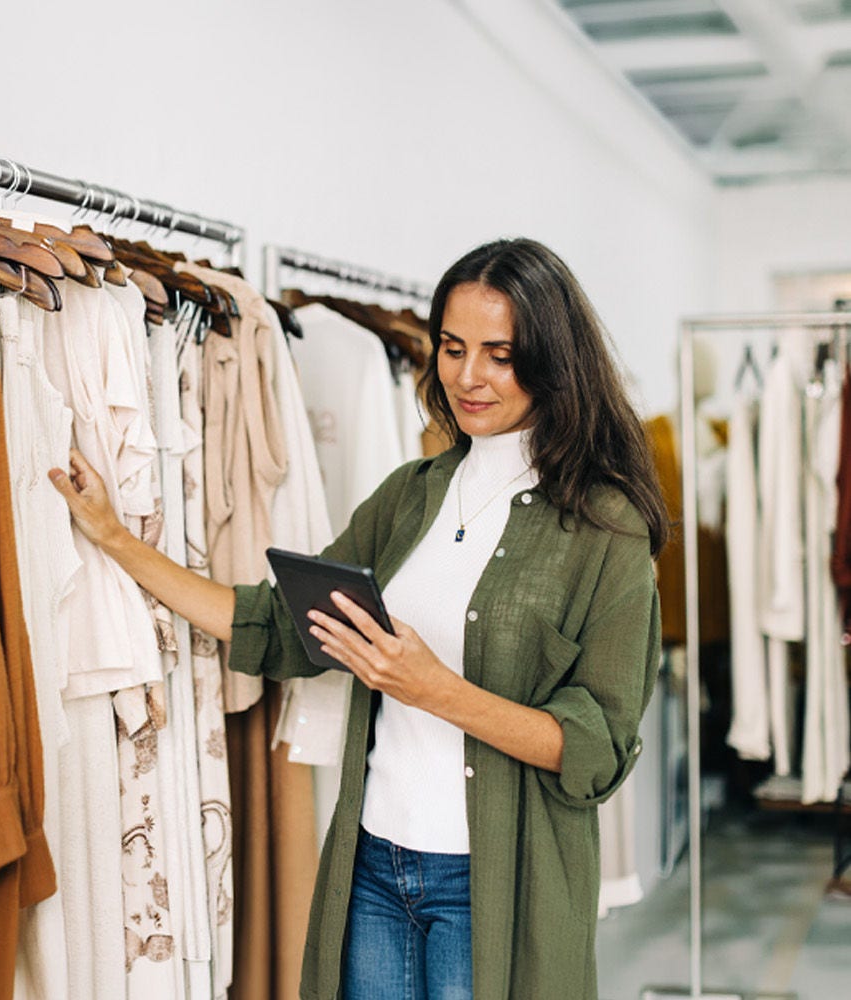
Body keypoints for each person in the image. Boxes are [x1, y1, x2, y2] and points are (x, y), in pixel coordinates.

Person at [47, 237, 665, 1000]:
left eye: (500, 355)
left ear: (552, 361)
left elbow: (598, 748)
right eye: (452, 347)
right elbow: (279, 626)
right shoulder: (411, 495)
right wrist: (116, 540)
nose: (468, 377)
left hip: (496, 885)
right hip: (374, 870)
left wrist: (433, 688)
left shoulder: (606, 527)